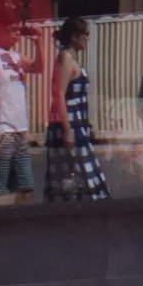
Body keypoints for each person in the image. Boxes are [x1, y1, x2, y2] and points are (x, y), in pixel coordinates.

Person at [45, 16, 108, 202]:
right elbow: (58, 94)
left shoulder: (72, 58)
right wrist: (67, 130)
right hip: (69, 124)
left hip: (78, 123)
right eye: (85, 35)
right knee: (72, 176)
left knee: (80, 174)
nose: (87, 39)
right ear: (74, 37)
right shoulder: (65, 57)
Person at [0, 21, 36, 198]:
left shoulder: (17, 57)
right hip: (1, 127)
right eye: (12, 30)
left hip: (19, 127)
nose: (16, 34)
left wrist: (38, 43)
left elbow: (37, 67)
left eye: (18, 31)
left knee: (26, 183)